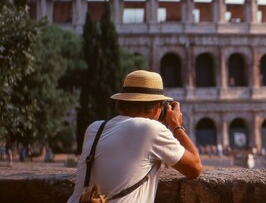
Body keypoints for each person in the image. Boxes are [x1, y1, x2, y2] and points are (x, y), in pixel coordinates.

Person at [67, 70, 202, 203]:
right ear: (157, 109)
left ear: (121, 103)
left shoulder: (94, 128)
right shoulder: (151, 129)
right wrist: (175, 124)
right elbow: (195, 168)